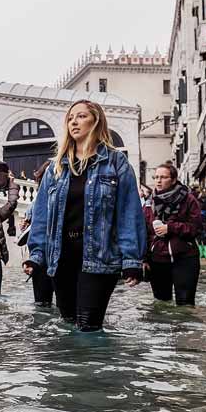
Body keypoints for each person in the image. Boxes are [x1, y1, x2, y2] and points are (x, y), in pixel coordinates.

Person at [23, 100, 146, 332]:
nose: (74, 122)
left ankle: (98, 367)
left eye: (81, 117)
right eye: (70, 118)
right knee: (68, 324)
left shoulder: (115, 162)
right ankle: (72, 368)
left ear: (96, 121)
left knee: (89, 326)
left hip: (99, 257)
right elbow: (41, 215)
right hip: (61, 257)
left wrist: (132, 259)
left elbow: (129, 213)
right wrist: (36, 255)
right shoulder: (56, 167)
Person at [143, 163, 203, 306]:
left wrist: (170, 228)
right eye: (156, 177)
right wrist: (143, 258)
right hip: (157, 259)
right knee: (161, 304)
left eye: (163, 177)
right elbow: (144, 232)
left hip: (185, 258)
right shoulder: (148, 202)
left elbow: (196, 228)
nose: (158, 180)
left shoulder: (188, 200)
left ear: (174, 179)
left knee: (185, 304)